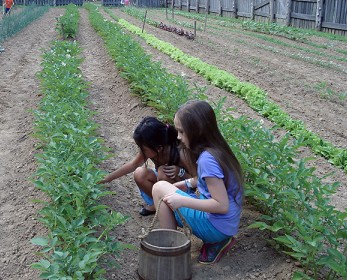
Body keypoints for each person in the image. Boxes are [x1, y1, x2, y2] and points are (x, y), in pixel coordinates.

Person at [152, 100, 244, 265]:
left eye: (181, 131)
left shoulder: (206, 160)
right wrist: (186, 184)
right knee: (168, 192)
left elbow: (221, 205)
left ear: (196, 131)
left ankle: (170, 252)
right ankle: (216, 242)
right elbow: (210, 181)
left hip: (217, 226)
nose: (178, 137)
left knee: (159, 188)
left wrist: (182, 200)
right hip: (227, 224)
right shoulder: (217, 150)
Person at [101, 116, 194, 216]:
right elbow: (134, 164)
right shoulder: (152, 149)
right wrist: (107, 178)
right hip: (164, 186)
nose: (141, 150)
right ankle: (160, 203)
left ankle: (173, 209)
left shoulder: (180, 153)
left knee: (163, 172)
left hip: (184, 191)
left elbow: (198, 181)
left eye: (143, 148)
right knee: (140, 173)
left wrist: (180, 172)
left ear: (158, 148)